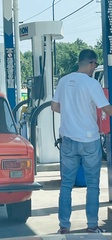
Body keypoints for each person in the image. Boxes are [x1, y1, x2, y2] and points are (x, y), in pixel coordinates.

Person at [51, 49, 112, 234]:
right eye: (94, 65)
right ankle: (92, 226)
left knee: (66, 184)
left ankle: (64, 226)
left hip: (68, 140)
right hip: (89, 140)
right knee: (92, 184)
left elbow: (54, 106)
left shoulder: (63, 81)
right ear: (91, 63)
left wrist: (71, 114)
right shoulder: (91, 83)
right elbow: (106, 109)